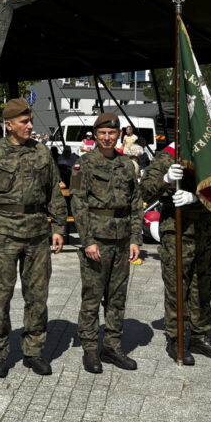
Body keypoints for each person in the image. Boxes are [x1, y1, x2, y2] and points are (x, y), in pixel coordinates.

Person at [0, 98, 67, 378]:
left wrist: (58, 227)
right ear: (9, 125)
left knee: (37, 296)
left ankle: (34, 351)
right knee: (0, 295)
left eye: (30, 120)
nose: (30, 125)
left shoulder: (41, 153)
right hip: (3, 233)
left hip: (37, 233)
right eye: (24, 122)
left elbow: (54, 193)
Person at [70, 113, 142, 374]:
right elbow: (78, 203)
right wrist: (87, 239)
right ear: (95, 135)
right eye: (102, 133)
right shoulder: (84, 164)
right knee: (92, 296)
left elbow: (135, 203)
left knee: (117, 297)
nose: (107, 137)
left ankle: (112, 346)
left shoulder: (126, 165)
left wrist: (136, 238)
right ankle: (90, 348)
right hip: (97, 240)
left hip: (122, 240)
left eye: (112, 133)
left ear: (119, 134)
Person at [140, 145, 211, 365]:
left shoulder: (209, 155)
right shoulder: (166, 157)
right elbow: (145, 191)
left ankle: (199, 335)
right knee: (178, 287)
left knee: (203, 287)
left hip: (204, 233)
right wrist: (166, 180)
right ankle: (176, 337)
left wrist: (197, 198)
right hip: (177, 233)